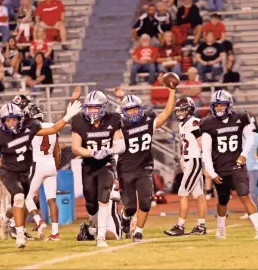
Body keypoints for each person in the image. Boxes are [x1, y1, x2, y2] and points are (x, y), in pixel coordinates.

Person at [0, 89, 82, 249]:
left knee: (23, 202)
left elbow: (51, 130)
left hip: (27, 171)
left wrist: (66, 117)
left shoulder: (29, 127)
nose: (11, 123)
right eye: (7, 120)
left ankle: (5, 221)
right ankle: (20, 235)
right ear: (2, 121)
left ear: (20, 119)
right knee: (20, 198)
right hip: (10, 171)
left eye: (14, 120)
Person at [114, 83, 176, 242]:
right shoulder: (119, 125)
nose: (133, 112)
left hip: (145, 167)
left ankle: (139, 232)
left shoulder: (148, 120)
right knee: (131, 207)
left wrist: (172, 92)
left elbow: (167, 113)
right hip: (125, 169)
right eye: (129, 109)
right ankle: (126, 217)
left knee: (146, 202)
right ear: (124, 111)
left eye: (135, 108)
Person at [201, 90, 258, 239]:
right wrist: (211, 172)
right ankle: (221, 230)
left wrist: (243, 155)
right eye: (216, 106)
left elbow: (250, 139)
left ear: (229, 105)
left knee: (245, 195)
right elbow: (206, 150)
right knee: (223, 199)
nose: (219, 108)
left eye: (222, 105)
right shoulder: (208, 124)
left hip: (237, 164)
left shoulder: (240, 118)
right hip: (220, 167)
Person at [70, 90, 126, 247]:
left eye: (96, 108)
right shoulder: (79, 120)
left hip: (106, 163)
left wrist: (109, 150)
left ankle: (100, 236)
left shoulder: (113, 119)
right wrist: (92, 152)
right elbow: (75, 148)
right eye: (90, 108)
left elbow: (120, 144)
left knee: (104, 197)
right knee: (91, 204)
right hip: (88, 164)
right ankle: (93, 227)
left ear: (104, 107)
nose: (92, 111)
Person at [164, 97, 207, 236]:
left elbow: (202, 143)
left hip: (194, 160)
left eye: (182, 110)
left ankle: (180, 226)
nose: (180, 113)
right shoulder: (183, 124)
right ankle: (201, 226)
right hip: (189, 161)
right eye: (178, 110)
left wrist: (206, 161)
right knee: (199, 195)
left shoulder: (194, 122)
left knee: (182, 193)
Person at [24, 104, 61, 241]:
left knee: (27, 198)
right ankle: (55, 233)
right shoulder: (51, 125)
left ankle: (39, 221)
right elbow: (58, 151)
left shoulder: (30, 128)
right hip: (50, 163)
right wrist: (55, 167)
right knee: (51, 200)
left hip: (38, 163)